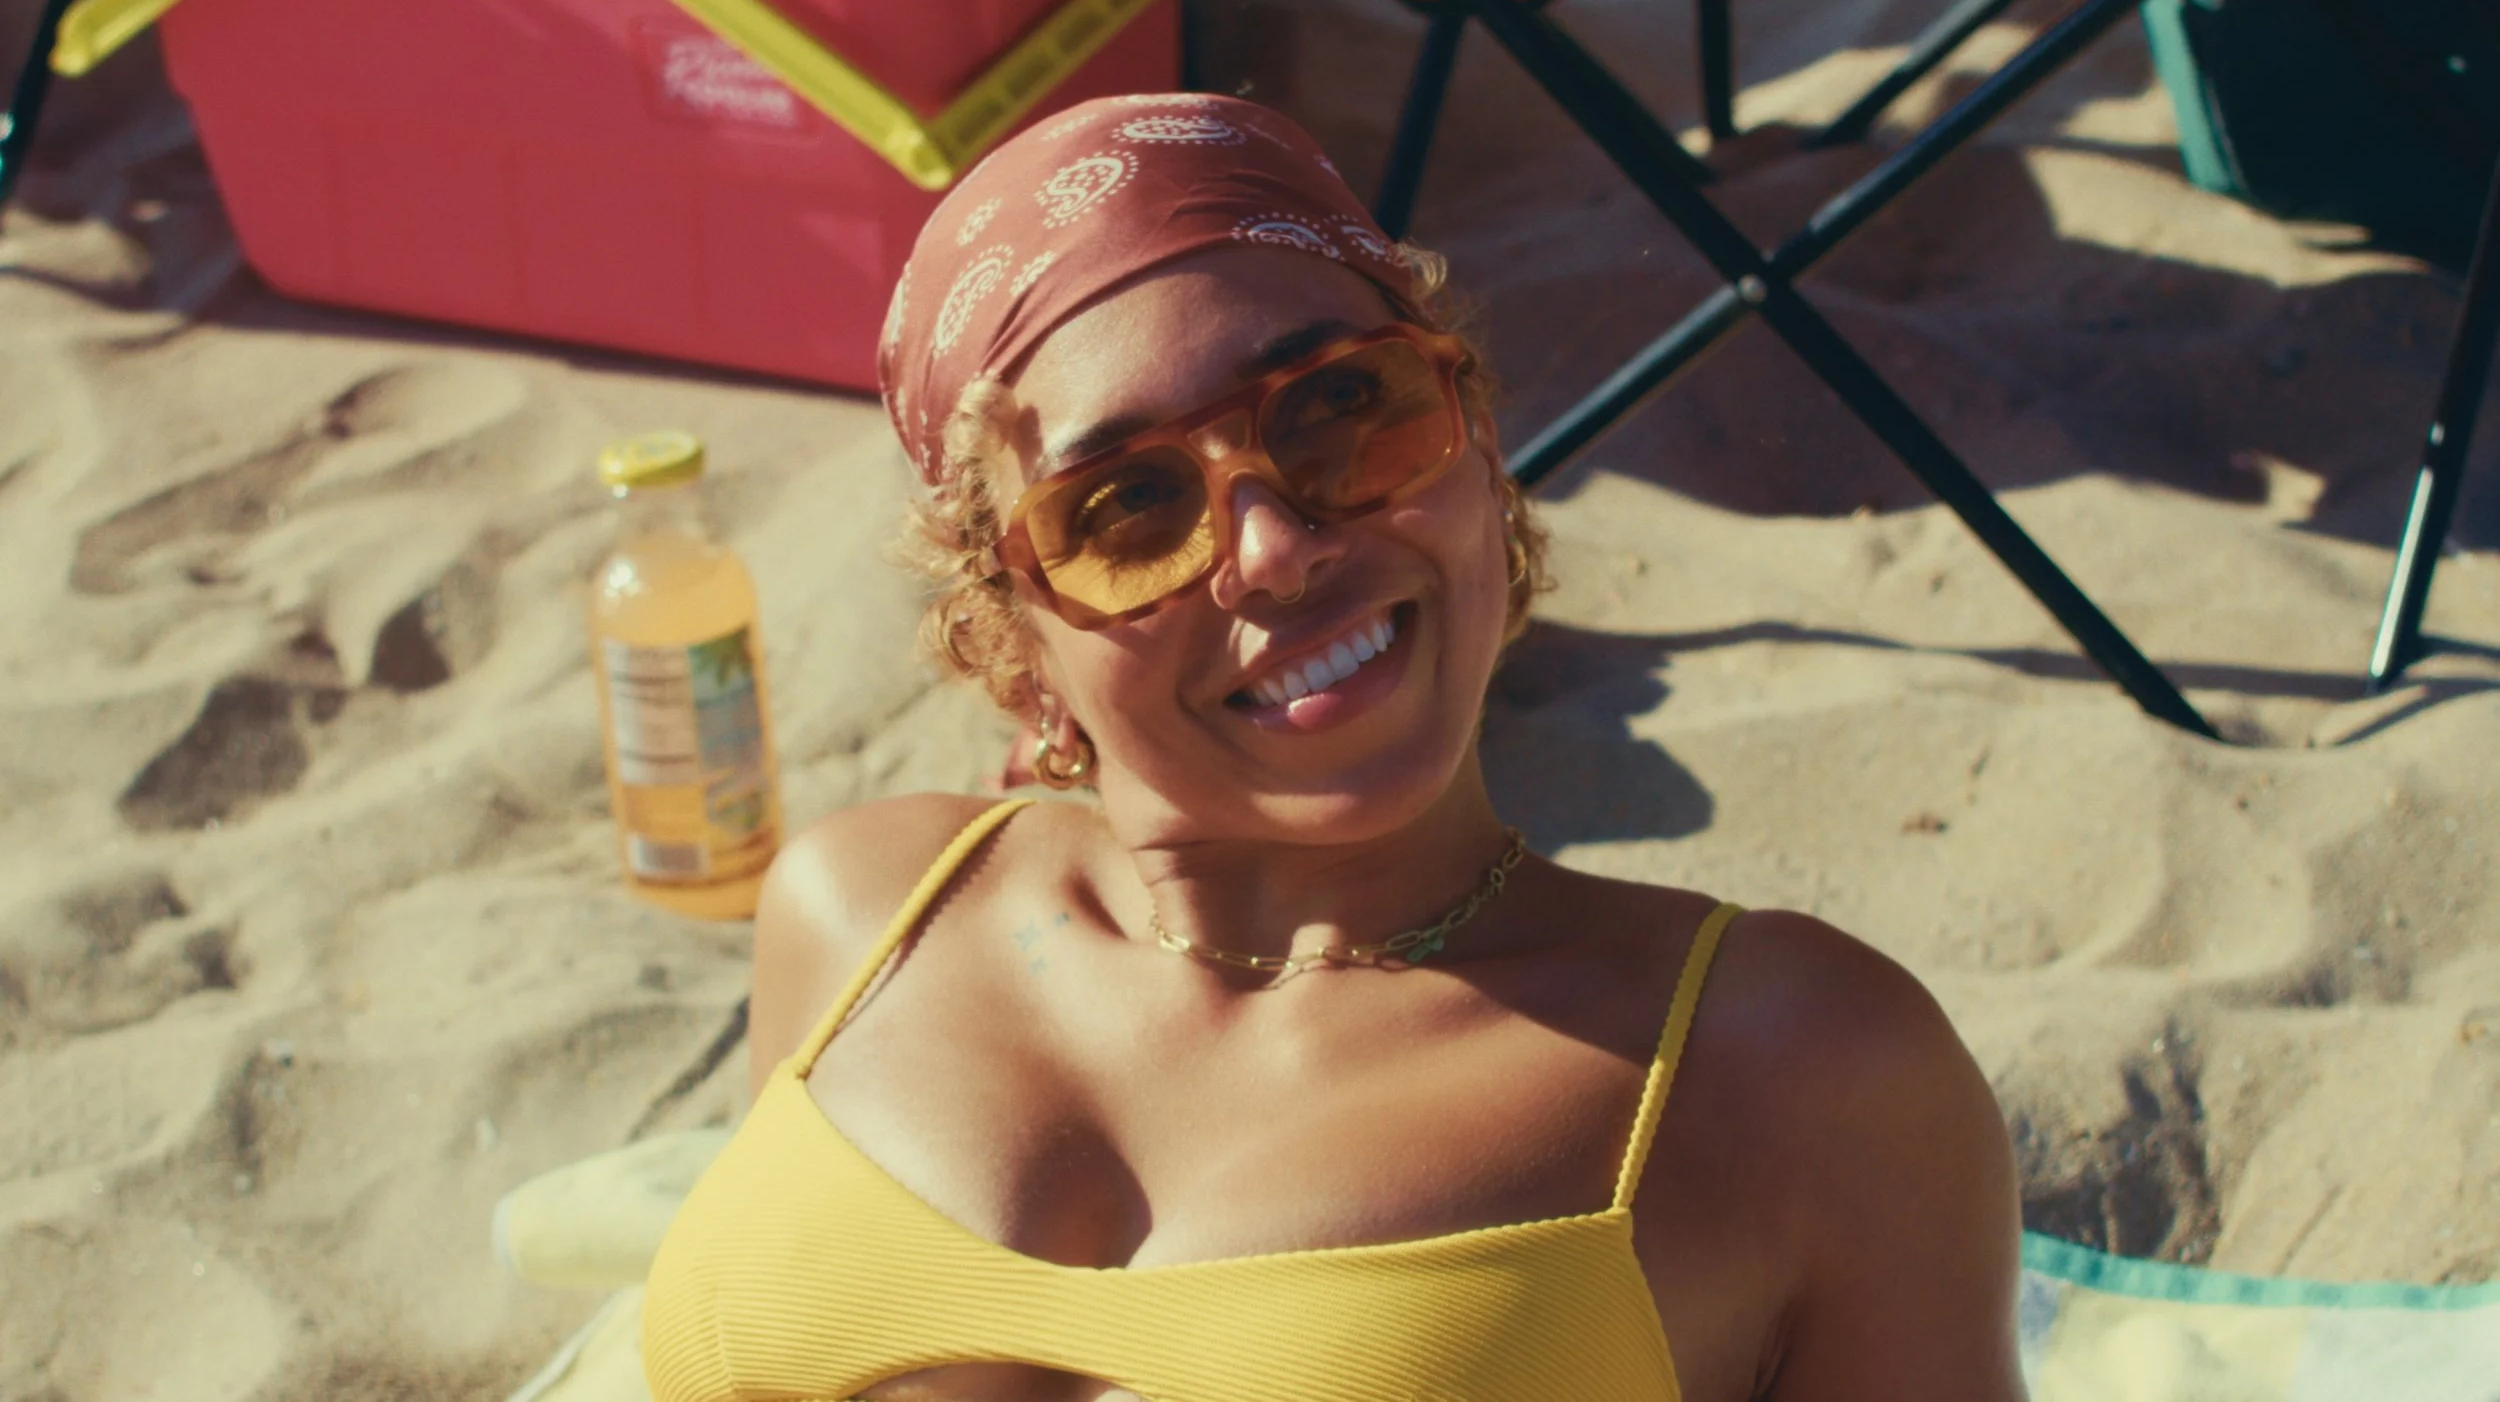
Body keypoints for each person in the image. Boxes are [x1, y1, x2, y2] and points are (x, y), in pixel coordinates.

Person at [642, 94, 2024, 1402]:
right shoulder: (859, 916)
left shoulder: (1792, 1072)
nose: (1278, 548)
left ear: (1481, 449)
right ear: (1014, 640)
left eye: (1345, 409)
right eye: (1127, 504)